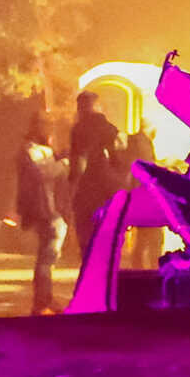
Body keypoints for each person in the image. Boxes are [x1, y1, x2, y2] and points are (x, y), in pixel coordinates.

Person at [14, 115, 67, 312]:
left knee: (47, 255)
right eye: (48, 128)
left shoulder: (37, 150)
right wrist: (64, 164)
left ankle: (44, 298)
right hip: (45, 209)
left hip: (48, 208)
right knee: (48, 255)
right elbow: (44, 173)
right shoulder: (31, 150)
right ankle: (43, 300)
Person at [67, 91, 125, 261]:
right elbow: (120, 161)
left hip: (85, 193)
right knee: (107, 242)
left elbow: (76, 163)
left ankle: (89, 279)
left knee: (86, 242)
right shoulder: (111, 130)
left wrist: (72, 187)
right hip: (108, 192)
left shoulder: (78, 130)